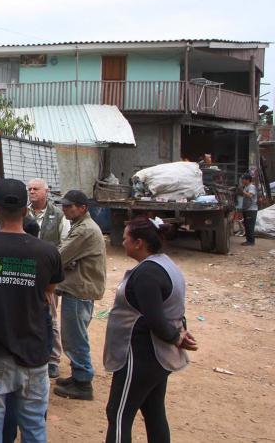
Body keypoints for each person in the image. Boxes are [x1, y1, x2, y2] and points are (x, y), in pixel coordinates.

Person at [0, 179, 63, 442]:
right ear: (26, 210)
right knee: (33, 429)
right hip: (34, 352)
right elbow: (48, 289)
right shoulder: (48, 252)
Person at [104, 218, 198, 443]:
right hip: (158, 356)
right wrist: (178, 334)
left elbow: (155, 317)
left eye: (126, 238)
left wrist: (176, 336)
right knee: (154, 411)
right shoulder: (165, 264)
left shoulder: (147, 274)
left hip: (141, 354)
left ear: (138, 243)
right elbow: (169, 309)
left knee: (118, 414)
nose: (122, 242)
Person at [54, 189, 107, 401]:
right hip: (80, 288)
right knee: (74, 333)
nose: (65, 209)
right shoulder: (82, 226)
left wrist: (66, 261)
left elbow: (60, 256)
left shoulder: (84, 230)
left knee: (75, 336)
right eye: (64, 205)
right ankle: (78, 374)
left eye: (69, 206)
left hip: (79, 289)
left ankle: (83, 381)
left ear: (83, 208)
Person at [27, 177, 71, 379]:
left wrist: (50, 263)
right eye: (29, 189)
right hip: (25, 272)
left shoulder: (58, 215)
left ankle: (53, 359)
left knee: (51, 317)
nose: (32, 192)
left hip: (48, 276)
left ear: (47, 192)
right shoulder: (23, 212)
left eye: (36, 189)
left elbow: (66, 244)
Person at [239, 173, 258, 246]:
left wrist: (242, 191)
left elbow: (250, 195)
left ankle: (251, 241)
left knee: (250, 226)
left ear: (248, 180)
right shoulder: (246, 187)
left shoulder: (251, 187)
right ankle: (248, 240)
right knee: (247, 225)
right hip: (247, 209)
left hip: (251, 210)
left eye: (243, 179)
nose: (242, 180)